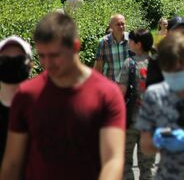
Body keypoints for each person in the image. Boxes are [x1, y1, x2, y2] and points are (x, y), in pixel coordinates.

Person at [1, 13, 125, 180]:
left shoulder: (106, 93)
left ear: (75, 47)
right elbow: (12, 164)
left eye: (54, 55)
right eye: (41, 56)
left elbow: (113, 160)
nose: (47, 64)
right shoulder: (26, 95)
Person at [135, 32, 184, 180]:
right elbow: (145, 144)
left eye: (177, 70)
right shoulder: (155, 94)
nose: (172, 75)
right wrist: (158, 142)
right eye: (167, 70)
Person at [118, 29, 155, 180]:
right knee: (147, 165)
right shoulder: (156, 64)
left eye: (131, 40)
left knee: (125, 161)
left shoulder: (129, 64)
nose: (129, 43)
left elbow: (121, 92)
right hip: (151, 122)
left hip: (131, 121)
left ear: (138, 44)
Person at [0, 36, 32, 165]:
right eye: (5, 60)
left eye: (19, 60)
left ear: (30, 65)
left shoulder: (42, 108)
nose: (12, 63)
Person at [94, 14, 130, 83]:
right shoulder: (104, 42)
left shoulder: (131, 40)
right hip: (111, 84)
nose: (121, 26)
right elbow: (98, 67)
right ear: (111, 26)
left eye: (123, 24)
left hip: (128, 84)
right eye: (118, 24)